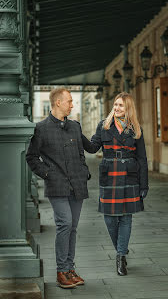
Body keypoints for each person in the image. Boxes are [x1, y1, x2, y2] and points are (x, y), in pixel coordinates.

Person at [26, 87, 89, 289]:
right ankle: (61, 271)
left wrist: (84, 169)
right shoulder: (41, 128)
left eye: (72, 101)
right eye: (69, 101)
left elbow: (81, 153)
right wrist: (48, 174)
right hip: (57, 186)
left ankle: (70, 269)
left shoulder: (75, 127)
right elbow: (31, 157)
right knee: (65, 224)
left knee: (72, 228)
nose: (72, 104)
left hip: (77, 185)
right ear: (58, 103)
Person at [82, 92, 149, 276]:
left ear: (128, 109)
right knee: (110, 218)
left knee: (126, 217)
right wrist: (77, 133)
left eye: (122, 106)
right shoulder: (103, 126)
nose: (117, 108)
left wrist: (144, 185)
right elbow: (93, 147)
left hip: (129, 176)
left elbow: (142, 158)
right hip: (109, 174)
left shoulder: (135, 129)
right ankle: (122, 249)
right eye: (116, 105)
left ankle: (120, 256)